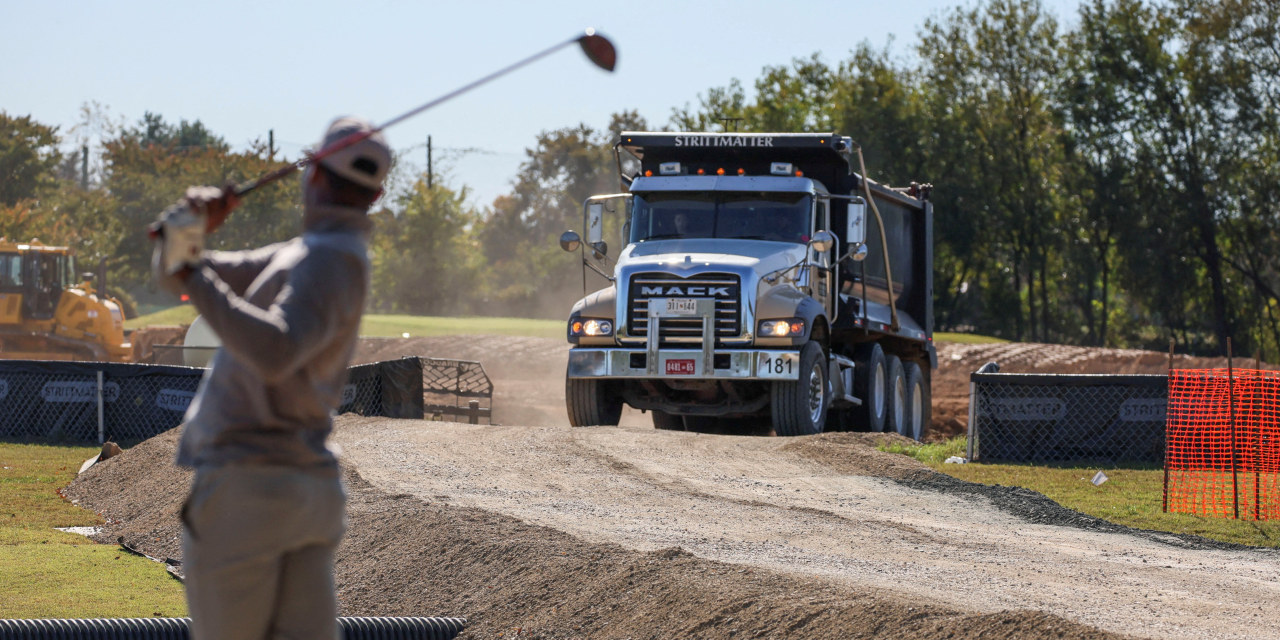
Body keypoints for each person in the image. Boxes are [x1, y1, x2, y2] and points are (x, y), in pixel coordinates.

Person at [153, 116, 391, 640]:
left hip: (247, 487)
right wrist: (190, 227)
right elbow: (177, 273)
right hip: (304, 490)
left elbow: (273, 349)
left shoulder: (327, 259)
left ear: (314, 174)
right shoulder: (313, 254)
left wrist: (190, 259)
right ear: (375, 196)